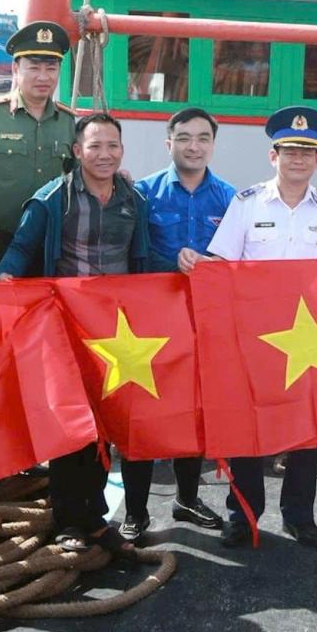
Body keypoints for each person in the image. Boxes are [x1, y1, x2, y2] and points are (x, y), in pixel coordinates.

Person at [0, 112, 155, 560]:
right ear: (77, 151)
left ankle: (95, 516)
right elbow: (21, 250)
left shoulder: (134, 200)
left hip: (117, 332)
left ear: (122, 150)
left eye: (112, 145)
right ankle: (69, 518)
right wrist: (2, 282)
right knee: (72, 423)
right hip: (65, 327)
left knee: (107, 422)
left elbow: (143, 259)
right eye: (94, 146)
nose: (104, 154)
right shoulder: (51, 200)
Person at [200, 105, 317, 547]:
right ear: (273, 156)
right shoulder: (246, 204)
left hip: (308, 338)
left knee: (305, 427)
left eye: (306, 152)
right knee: (248, 425)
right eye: (289, 151)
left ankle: (299, 516)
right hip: (253, 336)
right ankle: (243, 515)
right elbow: (221, 264)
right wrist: (194, 264)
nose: (297, 159)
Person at [122, 106, 234, 540]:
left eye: (203, 138)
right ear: (169, 143)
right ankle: (135, 512)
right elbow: (128, 252)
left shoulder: (230, 198)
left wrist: (213, 265)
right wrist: (174, 261)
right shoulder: (141, 194)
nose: (194, 146)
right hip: (148, 324)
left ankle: (187, 499)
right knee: (142, 414)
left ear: (213, 145)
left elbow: (240, 260)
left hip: (204, 324)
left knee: (194, 413)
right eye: (184, 138)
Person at [0, 22, 75, 270]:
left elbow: (79, 175)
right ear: (15, 68)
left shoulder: (68, 121)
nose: (43, 77)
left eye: (51, 68)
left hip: (49, 243)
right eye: (33, 67)